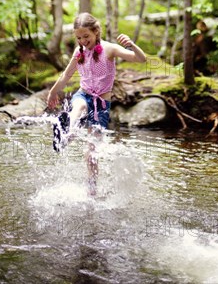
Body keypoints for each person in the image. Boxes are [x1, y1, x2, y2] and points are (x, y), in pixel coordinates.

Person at [47, 12, 147, 195]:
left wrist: (131, 44)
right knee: (79, 106)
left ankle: (91, 192)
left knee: (91, 154)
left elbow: (141, 59)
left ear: (96, 31)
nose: (83, 40)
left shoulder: (110, 49)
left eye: (86, 36)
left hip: (101, 105)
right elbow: (66, 76)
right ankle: (66, 131)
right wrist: (53, 91)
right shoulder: (79, 52)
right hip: (83, 94)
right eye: (79, 37)